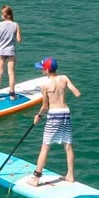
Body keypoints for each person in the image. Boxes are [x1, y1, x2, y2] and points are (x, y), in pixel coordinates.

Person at [29, 57, 81, 186]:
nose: (41, 70)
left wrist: (38, 116)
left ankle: (36, 178)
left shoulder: (44, 85)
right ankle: (70, 175)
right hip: (66, 113)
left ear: (47, 70)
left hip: (54, 115)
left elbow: (45, 106)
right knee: (68, 145)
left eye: (42, 69)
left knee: (45, 146)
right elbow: (77, 92)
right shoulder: (64, 78)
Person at [0, 5, 21, 99]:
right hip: (11, 52)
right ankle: (12, 95)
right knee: (11, 73)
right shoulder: (15, 25)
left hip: (0, 52)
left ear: (4, 15)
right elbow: (19, 40)